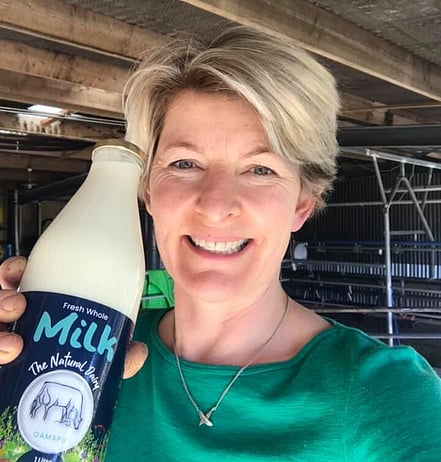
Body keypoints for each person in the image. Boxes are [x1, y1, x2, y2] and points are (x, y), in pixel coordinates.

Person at [1, 25, 440, 462]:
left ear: (302, 203)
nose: (215, 206)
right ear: (148, 189)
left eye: (260, 170)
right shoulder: (85, 351)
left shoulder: (385, 393)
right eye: (185, 163)